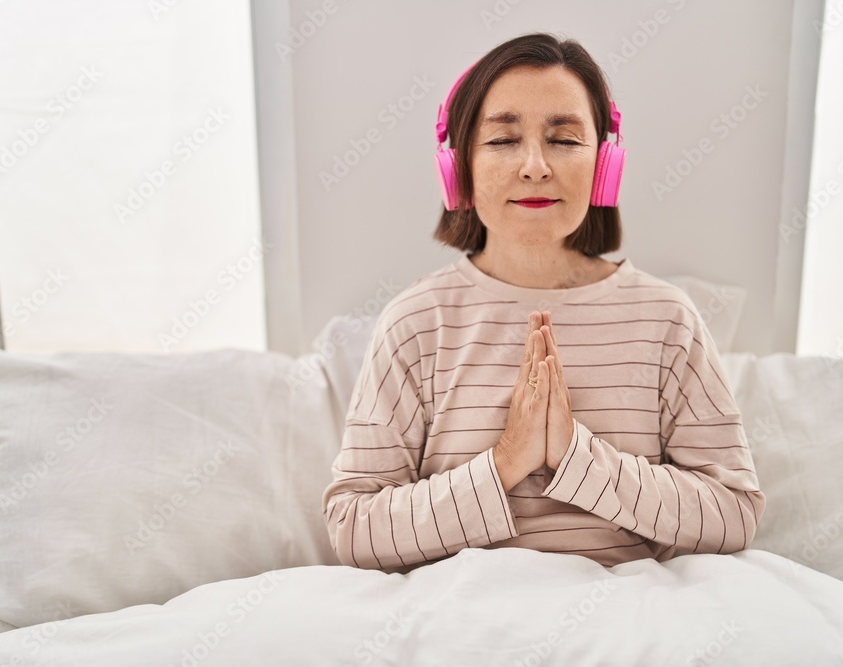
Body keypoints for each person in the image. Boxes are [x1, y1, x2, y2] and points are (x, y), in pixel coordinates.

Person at [321, 32, 766, 573]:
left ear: (605, 165)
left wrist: (578, 458)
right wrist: (508, 460)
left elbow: (734, 512)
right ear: (457, 167)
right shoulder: (416, 323)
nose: (534, 165)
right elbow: (352, 526)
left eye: (564, 139)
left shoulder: (668, 319)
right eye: (504, 140)